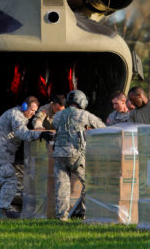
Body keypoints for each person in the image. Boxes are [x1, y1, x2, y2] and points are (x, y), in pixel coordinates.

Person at [0, 96, 55, 219]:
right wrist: (40, 134)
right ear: (24, 107)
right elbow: (23, 133)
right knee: (10, 181)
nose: (33, 114)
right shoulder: (16, 115)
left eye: (35, 111)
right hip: (0, 152)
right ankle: (2, 212)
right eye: (31, 110)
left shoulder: (17, 114)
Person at [52, 90, 105, 221]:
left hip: (58, 154)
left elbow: (55, 126)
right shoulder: (85, 115)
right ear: (82, 102)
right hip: (75, 155)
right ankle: (83, 211)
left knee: (62, 186)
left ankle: (61, 217)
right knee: (89, 182)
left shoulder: (58, 115)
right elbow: (102, 127)